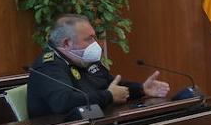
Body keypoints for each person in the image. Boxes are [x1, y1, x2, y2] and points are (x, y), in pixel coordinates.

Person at [28, 14, 169, 119]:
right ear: (66, 43)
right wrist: (108, 95)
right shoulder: (48, 66)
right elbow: (64, 102)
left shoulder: (83, 59)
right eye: (89, 39)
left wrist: (141, 89)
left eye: (94, 37)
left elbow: (111, 85)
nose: (96, 43)